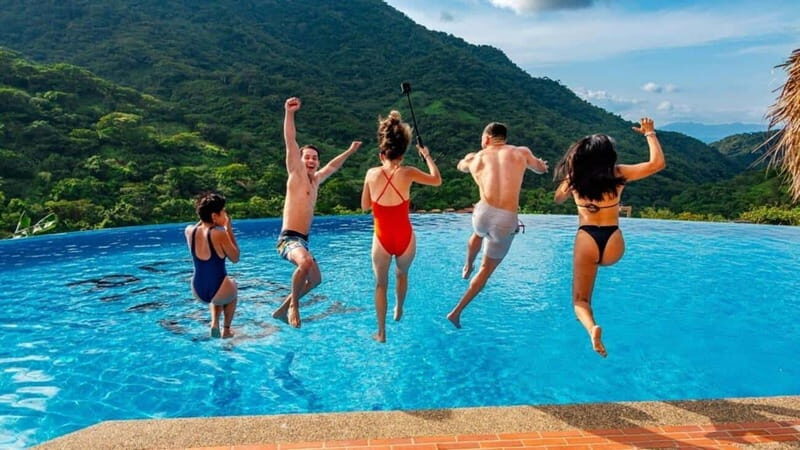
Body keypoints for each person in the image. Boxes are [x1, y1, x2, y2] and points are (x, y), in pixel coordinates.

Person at [553, 117, 665, 357]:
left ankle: (592, 328)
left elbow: (558, 199)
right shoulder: (619, 174)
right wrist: (650, 133)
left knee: (581, 300)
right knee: (603, 265)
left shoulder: (574, 178)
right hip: (613, 240)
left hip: (587, 238)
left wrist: (571, 179)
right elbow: (657, 164)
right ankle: (593, 326)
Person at [446, 122, 549, 328]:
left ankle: (467, 265)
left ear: (486, 139)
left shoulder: (476, 157)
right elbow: (540, 169)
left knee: (477, 232)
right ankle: (456, 313)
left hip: (482, 214)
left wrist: (465, 159)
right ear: (504, 138)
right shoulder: (521, 152)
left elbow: (460, 166)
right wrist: (542, 164)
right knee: (485, 269)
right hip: (505, 220)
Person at [272, 97, 362, 328]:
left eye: (314, 158)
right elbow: (290, 140)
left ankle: (281, 310)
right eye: (307, 157)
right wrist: (289, 113)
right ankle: (294, 306)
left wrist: (350, 151)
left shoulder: (316, 181)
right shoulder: (296, 174)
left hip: (302, 241)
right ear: (299, 160)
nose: (311, 161)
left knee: (316, 280)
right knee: (305, 264)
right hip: (288, 239)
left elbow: (333, 166)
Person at [360, 111, 441, 343]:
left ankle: (381, 333)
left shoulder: (371, 173)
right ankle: (399, 308)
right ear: (403, 154)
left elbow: (365, 206)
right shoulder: (409, 173)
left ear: (381, 154)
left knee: (380, 284)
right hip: (405, 238)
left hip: (381, 239)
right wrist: (426, 156)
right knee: (402, 274)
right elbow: (437, 180)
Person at [184, 191, 240, 338]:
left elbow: (202, 224)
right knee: (232, 284)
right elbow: (235, 257)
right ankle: (226, 330)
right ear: (214, 216)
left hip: (198, 289)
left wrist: (208, 218)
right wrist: (228, 228)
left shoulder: (189, 230)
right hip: (219, 289)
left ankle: (214, 323)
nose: (225, 215)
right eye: (223, 212)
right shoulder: (219, 233)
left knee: (218, 292)